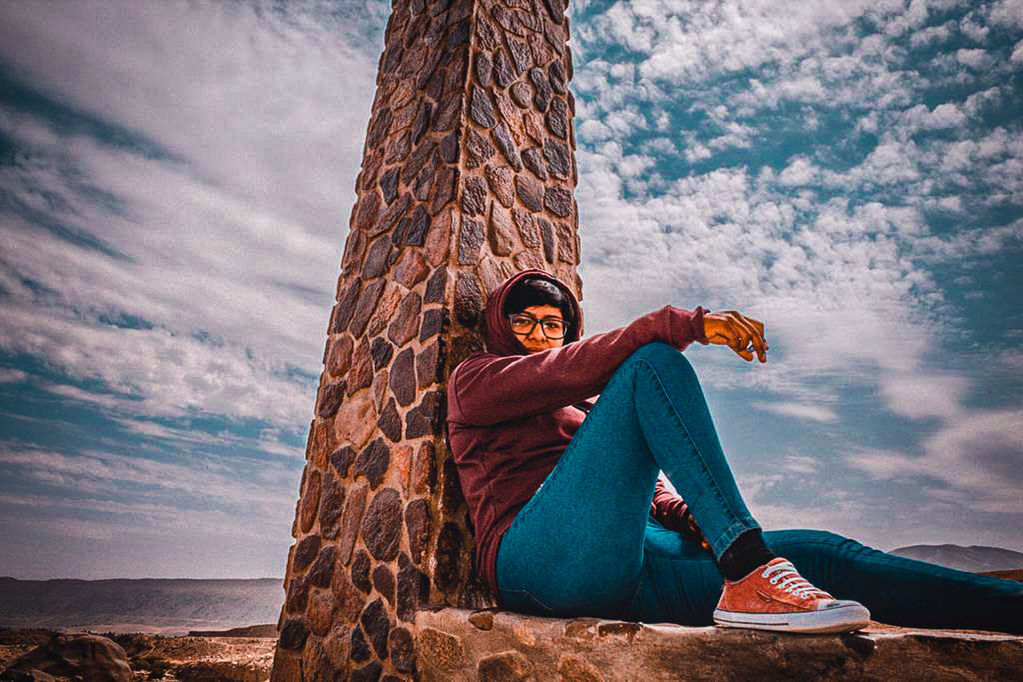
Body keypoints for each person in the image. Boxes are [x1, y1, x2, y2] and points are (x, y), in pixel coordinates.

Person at [445, 268, 1023, 634]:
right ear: (501, 326)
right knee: (651, 363)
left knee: (824, 555)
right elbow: (567, 369)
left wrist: (692, 516)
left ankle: (1007, 606)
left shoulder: (594, 414)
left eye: (554, 326)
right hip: (537, 562)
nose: (540, 336)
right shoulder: (476, 381)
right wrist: (683, 324)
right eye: (525, 322)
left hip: (633, 568)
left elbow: (652, 494)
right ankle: (746, 566)